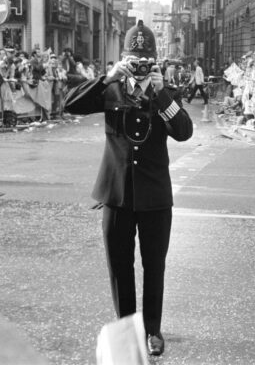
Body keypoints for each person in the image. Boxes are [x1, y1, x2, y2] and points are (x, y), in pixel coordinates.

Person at [63, 20, 193, 357]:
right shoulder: (111, 89)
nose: (140, 67)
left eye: (145, 61)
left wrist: (161, 91)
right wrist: (108, 75)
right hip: (117, 193)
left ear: (155, 61)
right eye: (133, 60)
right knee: (120, 267)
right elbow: (70, 104)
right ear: (123, 59)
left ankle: (152, 330)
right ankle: (126, 329)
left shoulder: (165, 93)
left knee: (154, 266)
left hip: (154, 197)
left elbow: (183, 131)